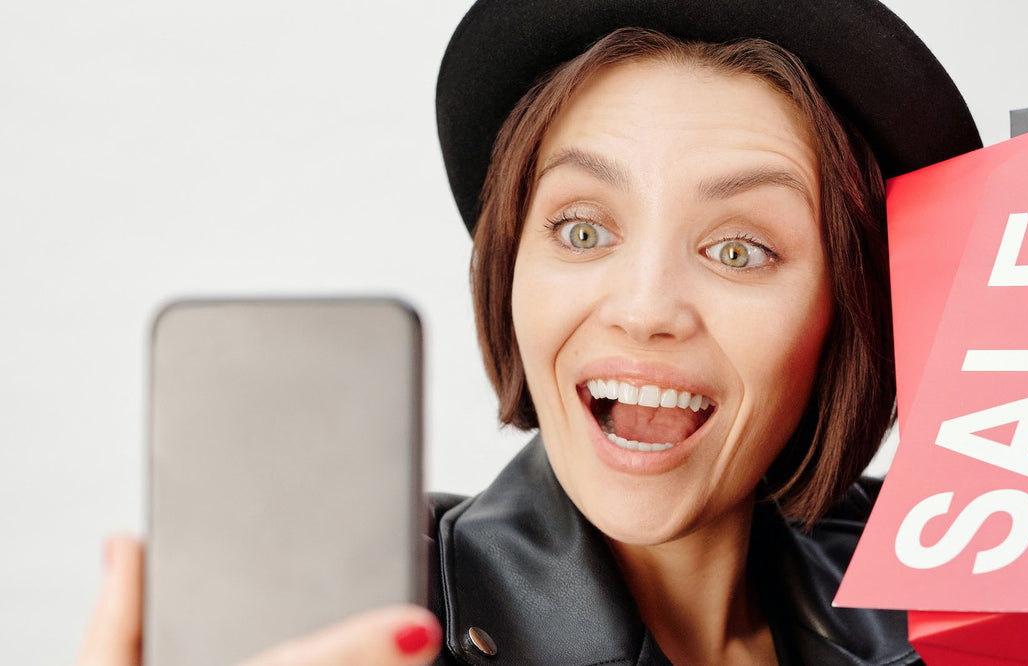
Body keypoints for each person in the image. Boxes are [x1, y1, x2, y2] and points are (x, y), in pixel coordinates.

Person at [78, 1, 981, 664]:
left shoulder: (957, 581)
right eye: (582, 231)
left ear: (845, 313)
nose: (644, 307)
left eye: (739, 249)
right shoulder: (386, 615)